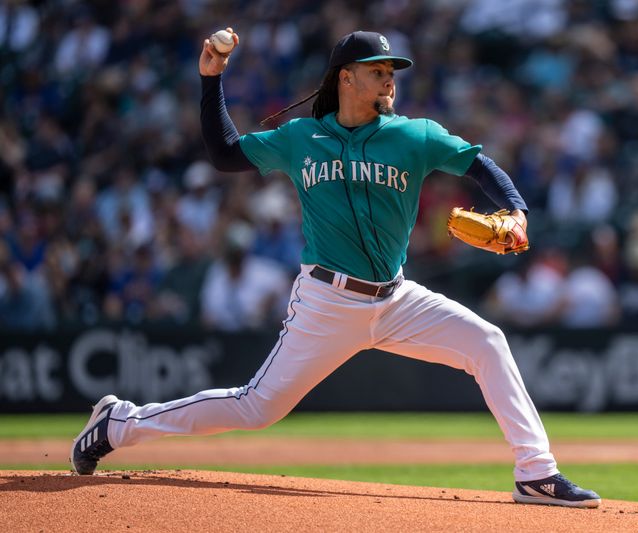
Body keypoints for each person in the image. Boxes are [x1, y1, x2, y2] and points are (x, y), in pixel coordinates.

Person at [70, 29, 600, 508]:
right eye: (378, 71)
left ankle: (536, 472)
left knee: (487, 342)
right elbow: (225, 154)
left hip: (396, 300)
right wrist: (212, 81)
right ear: (346, 78)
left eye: (391, 72)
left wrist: (517, 212)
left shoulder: (415, 135)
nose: (389, 80)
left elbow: (481, 165)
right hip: (326, 301)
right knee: (256, 408)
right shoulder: (302, 137)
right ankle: (121, 423)